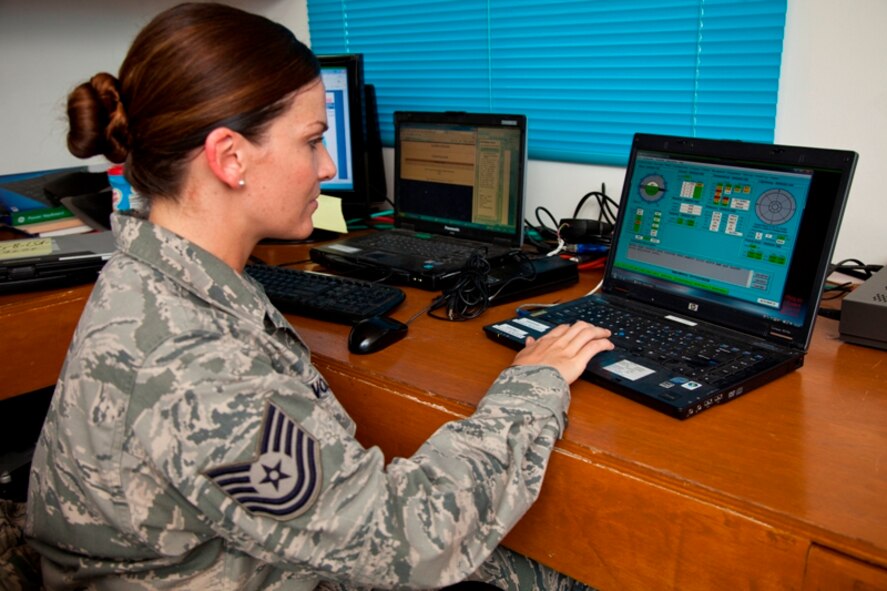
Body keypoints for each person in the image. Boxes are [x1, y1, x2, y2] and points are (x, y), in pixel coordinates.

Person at [25, 3, 614, 590]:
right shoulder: (192, 364)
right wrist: (532, 386)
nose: (328, 166)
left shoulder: (149, 276)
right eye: (312, 141)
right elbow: (410, 539)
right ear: (230, 157)